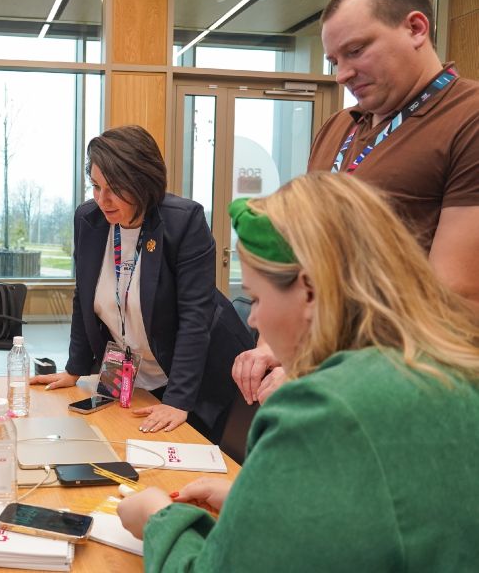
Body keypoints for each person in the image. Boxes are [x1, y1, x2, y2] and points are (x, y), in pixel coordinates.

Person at [117, 172, 479, 571]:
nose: (253, 319)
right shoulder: (450, 372)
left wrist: (158, 519)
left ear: (308, 290)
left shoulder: (322, 406)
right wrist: (263, 497)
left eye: (256, 298)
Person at [233, 0, 479, 405]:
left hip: (401, 383)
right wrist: (276, 340)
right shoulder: (338, 127)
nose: (342, 74)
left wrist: (322, 367)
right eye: (333, 60)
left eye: (356, 50)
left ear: (416, 28)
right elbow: (305, 249)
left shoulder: (468, 118)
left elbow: (455, 295)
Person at [29, 125, 252, 442]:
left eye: (114, 189)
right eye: (95, 186)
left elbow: (194, 318)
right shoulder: (88, 220)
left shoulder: (183, 222)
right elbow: (84, 299)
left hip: (198, 381)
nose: (102, 200)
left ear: (141, 181)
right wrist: (74, 368)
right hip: (134, 375)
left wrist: (177, 401)